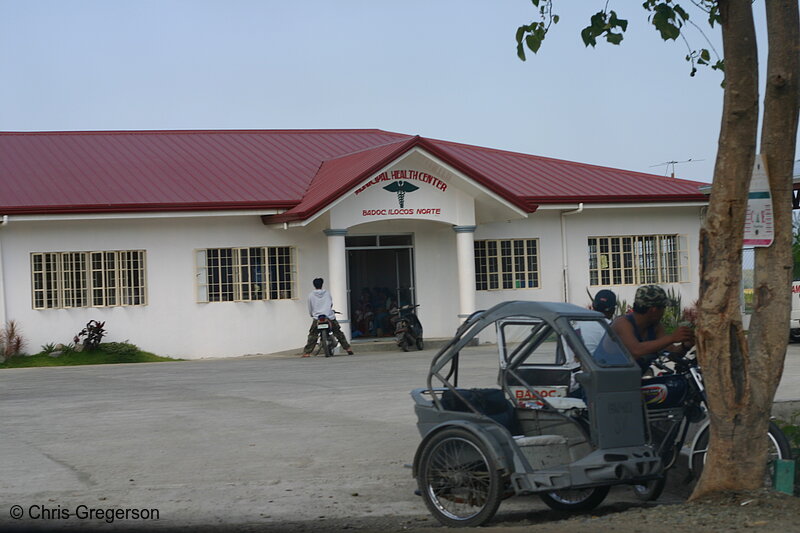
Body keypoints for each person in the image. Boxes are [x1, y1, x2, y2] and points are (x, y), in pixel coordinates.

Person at [611, 284, 694, 372]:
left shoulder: (655, 326)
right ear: (654, 310)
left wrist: (685, 345)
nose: (663, 311)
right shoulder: (622, 323)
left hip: (633, 380)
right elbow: (636, 351)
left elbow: (671, 352)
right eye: (663, 308)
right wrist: (672, 338)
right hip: (607, 380)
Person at [301, 278, 353, 357]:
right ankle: (348, 349)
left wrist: (312, 314)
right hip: (329, 317)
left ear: (314, 285)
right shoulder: (327, 293)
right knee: (338, 332)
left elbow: (310, 307)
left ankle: (307, 352)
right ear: (322, 284)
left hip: (317, 317)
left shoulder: (311, 295)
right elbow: (331, 304)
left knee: (313, 334)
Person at [578, 289, 617, 354]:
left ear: (593, 306)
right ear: (613, 310)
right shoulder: (611, 327)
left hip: (572, 363)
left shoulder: (577, 325)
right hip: (594, 363)